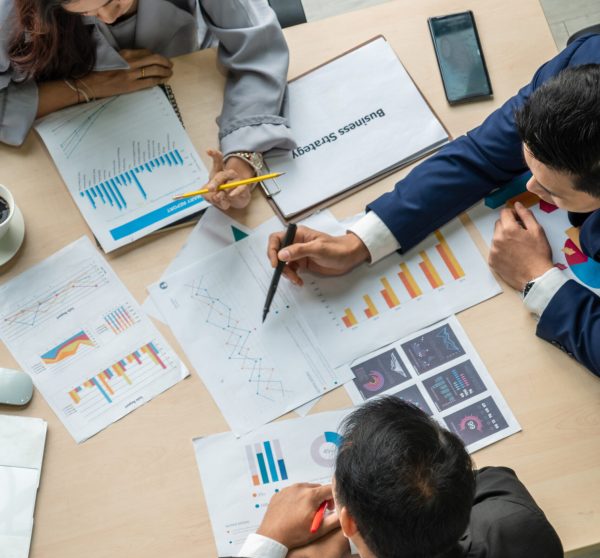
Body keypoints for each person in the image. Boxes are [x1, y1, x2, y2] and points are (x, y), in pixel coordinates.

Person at [267, 35, 600, 377]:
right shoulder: (581, 63)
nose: (529, 187)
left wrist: (537, 280)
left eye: (551, 191)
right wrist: (357, 242)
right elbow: (482, 155)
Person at [210, 397, 563, 558]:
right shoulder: (525, 534)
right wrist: (344, 541)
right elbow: (489, 479)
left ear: (347, 521)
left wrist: (271, 535)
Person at [1, 0, 294, 208]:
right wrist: (90, 86)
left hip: (190, 87)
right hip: (75, 141)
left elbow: (258, 49)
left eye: (113, 1)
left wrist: (241, 159)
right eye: (87, 11)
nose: (107, 18)